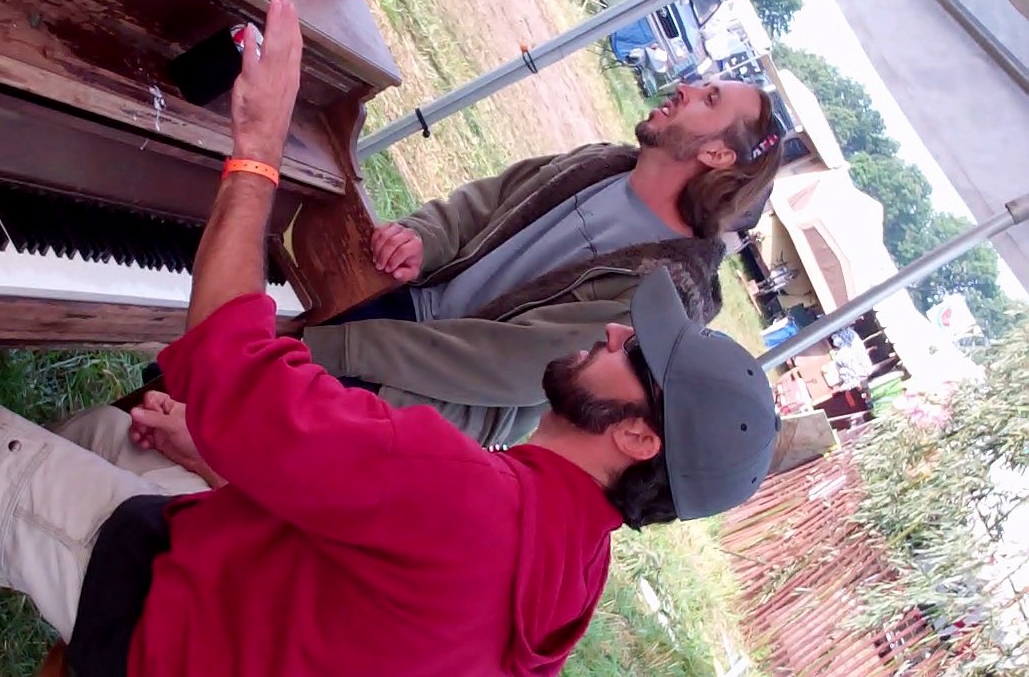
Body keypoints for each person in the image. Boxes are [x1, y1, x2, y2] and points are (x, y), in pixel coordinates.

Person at [0, 0, 779, 677]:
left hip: (162, 625)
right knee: (99, 440)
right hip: (246, 616)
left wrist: (254, 148)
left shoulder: (463, 488)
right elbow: (367, 580)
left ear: (635, 437)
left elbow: (231, 365)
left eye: (635, 353)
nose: (616, 328)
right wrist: (228, 460)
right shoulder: (568, 573)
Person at [299, 67, 785, 447]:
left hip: (427, 395)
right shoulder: (601, 163)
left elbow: (509, 364)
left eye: (709, 99)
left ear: (718, 155)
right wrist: (424, 239)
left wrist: (343, 348)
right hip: (400, 300)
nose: (684, 88)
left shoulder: (661, 293)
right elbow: (487, 201)